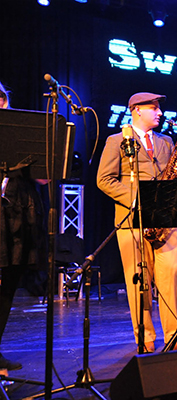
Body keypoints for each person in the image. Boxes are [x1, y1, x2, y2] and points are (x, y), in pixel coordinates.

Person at [97, 92, 177, 353]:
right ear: (136, 110)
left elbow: (172, 179)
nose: (160, 112)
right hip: (132, 220)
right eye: (154, 107)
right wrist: (138, 199)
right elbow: (104, 180)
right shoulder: (116, 141)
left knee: (171, 277)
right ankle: (145, 337)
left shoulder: (167, 141)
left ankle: (175, 336)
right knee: (138, 281)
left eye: (159, 108)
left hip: (165, 221)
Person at [0, 82, 48, 370]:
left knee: (8, 284)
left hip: (19, 216)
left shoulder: (19, 132)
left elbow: (42, 179)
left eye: (2, 99)